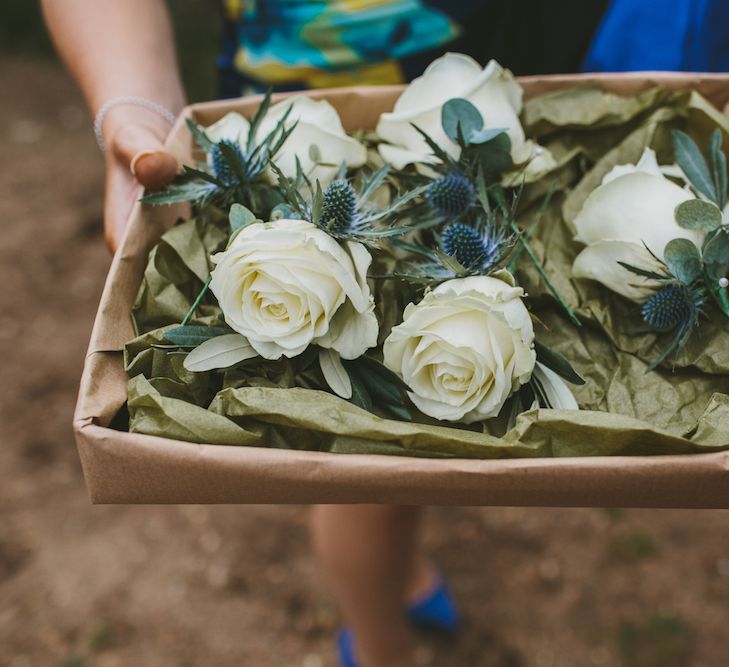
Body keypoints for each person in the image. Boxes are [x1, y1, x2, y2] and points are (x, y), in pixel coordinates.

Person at [42, 2, 729, 666]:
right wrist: (136, 106)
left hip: (534, 66)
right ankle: (377, 643)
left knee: (432, 418)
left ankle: (403, 580)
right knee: (368, 463)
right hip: (313, 101)